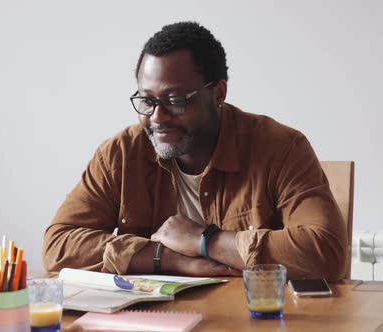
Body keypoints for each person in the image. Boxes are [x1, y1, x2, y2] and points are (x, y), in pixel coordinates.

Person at [42, 21, 347, 281]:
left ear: (218, 93)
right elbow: (57, 246)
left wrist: (205, 240)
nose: (158, 117)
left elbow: (325, 251)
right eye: (147, 101)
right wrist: (168, 258)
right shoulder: (120, 154)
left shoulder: (280, 148)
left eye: (175, 100)